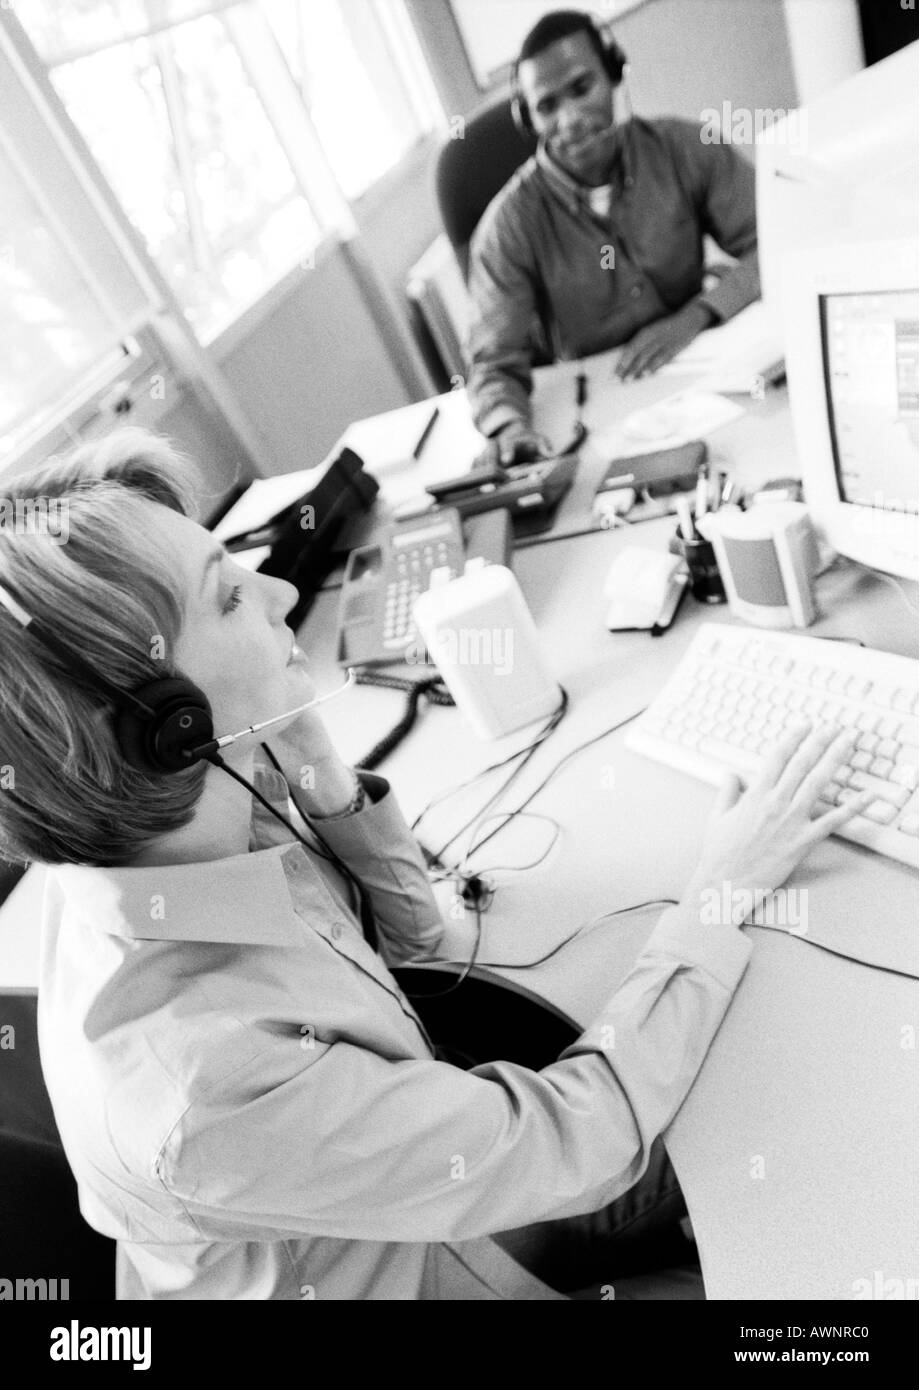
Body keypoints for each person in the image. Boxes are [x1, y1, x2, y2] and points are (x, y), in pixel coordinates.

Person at [0, 430, 869, 1300]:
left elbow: (414, 946)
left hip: (449, 1198)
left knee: (778, 1124)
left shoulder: (174, 834)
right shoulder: (208, 1086)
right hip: (436, 1273)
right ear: (166, 728)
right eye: (229, 597)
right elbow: (584, 1150)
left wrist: (307, 749)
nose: (285, 590)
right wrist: (718, 895)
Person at [466, 10, 760, 466]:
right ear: (528, 119)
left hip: (697, 377)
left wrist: (696, 316)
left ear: (614, 74)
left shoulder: (685, 147)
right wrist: (509, 428)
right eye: (547, 106)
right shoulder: (508, 228)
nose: (571, 119)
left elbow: (777, 242)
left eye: (583, 88)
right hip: (598, 408)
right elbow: (494, 362)